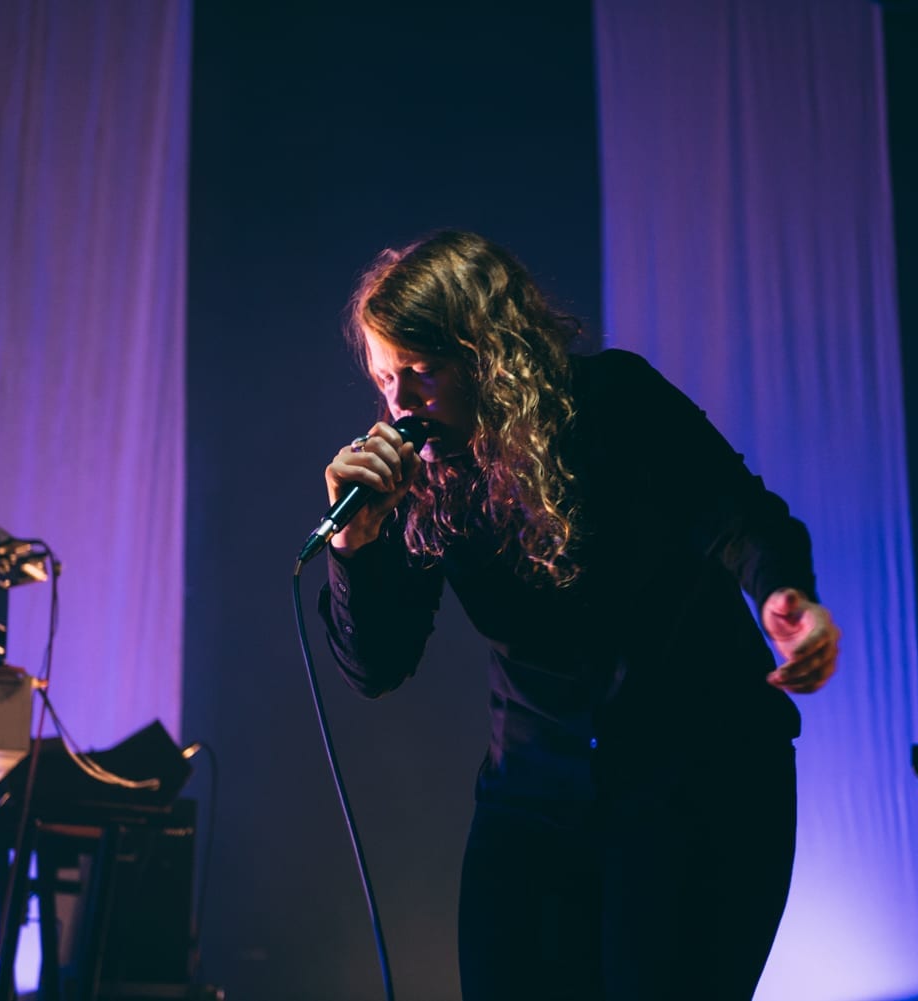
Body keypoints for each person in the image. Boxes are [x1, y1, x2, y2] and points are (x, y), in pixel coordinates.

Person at [317, 231, 840, 1000]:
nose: (400, 402)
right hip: (534, 793)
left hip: (697, 780)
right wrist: (356, 546)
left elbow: (744, 516)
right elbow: (378, 666)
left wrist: (781, 598)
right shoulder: (422, 477)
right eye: (385, 375)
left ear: (487, 355)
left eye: (422, 372)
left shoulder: (614, 402)